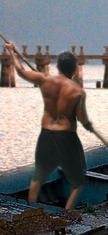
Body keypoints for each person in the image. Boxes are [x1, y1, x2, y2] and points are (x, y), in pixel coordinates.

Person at [5, 43, 94, 210]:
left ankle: (29, 210)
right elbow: (81, 118)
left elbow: (21, 71)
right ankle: (67, 214)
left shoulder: (45, 80)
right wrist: (88, 125)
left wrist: (11, 51)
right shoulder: (78, 92)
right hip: (66, 137)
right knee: (78, 182)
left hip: (46, 134)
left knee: (38, 178)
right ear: (74, 69)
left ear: (58, 67)